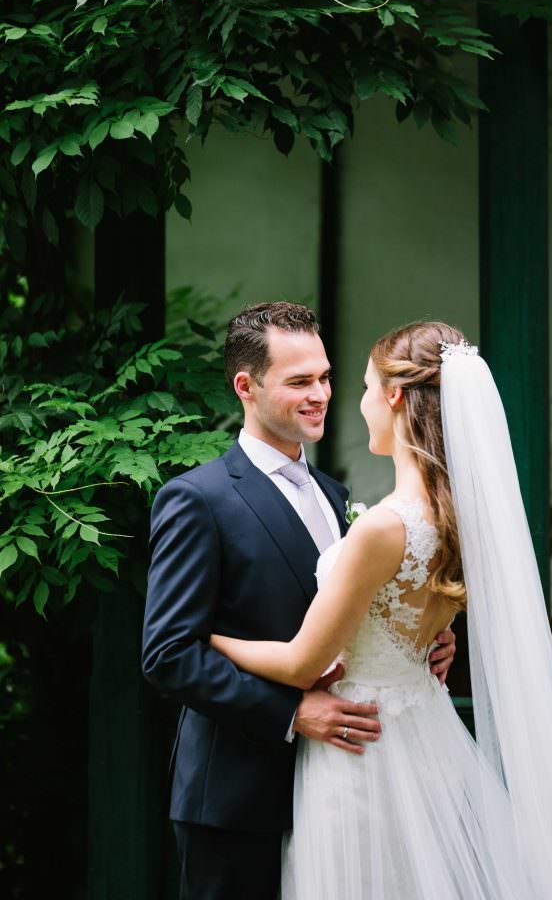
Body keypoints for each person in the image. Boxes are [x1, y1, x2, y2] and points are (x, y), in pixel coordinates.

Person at [210, 319, 552, 899]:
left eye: (359, 386)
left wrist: (213, 639)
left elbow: (304, 664)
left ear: (395, 396)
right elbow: (414, 625)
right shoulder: (457, 519)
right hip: (426, 742)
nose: (351, 402)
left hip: (359, 754)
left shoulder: (384, 525)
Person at [141, 302, 456, 900]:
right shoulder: (197, 500)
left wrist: (420, 634)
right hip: (237, 799)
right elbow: (168, 654)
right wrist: (289, 714)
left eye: (326, 377)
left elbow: (357, 613)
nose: (321, 394)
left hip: (346, 786)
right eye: (299, 381)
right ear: (246, 386)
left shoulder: (339, 495)